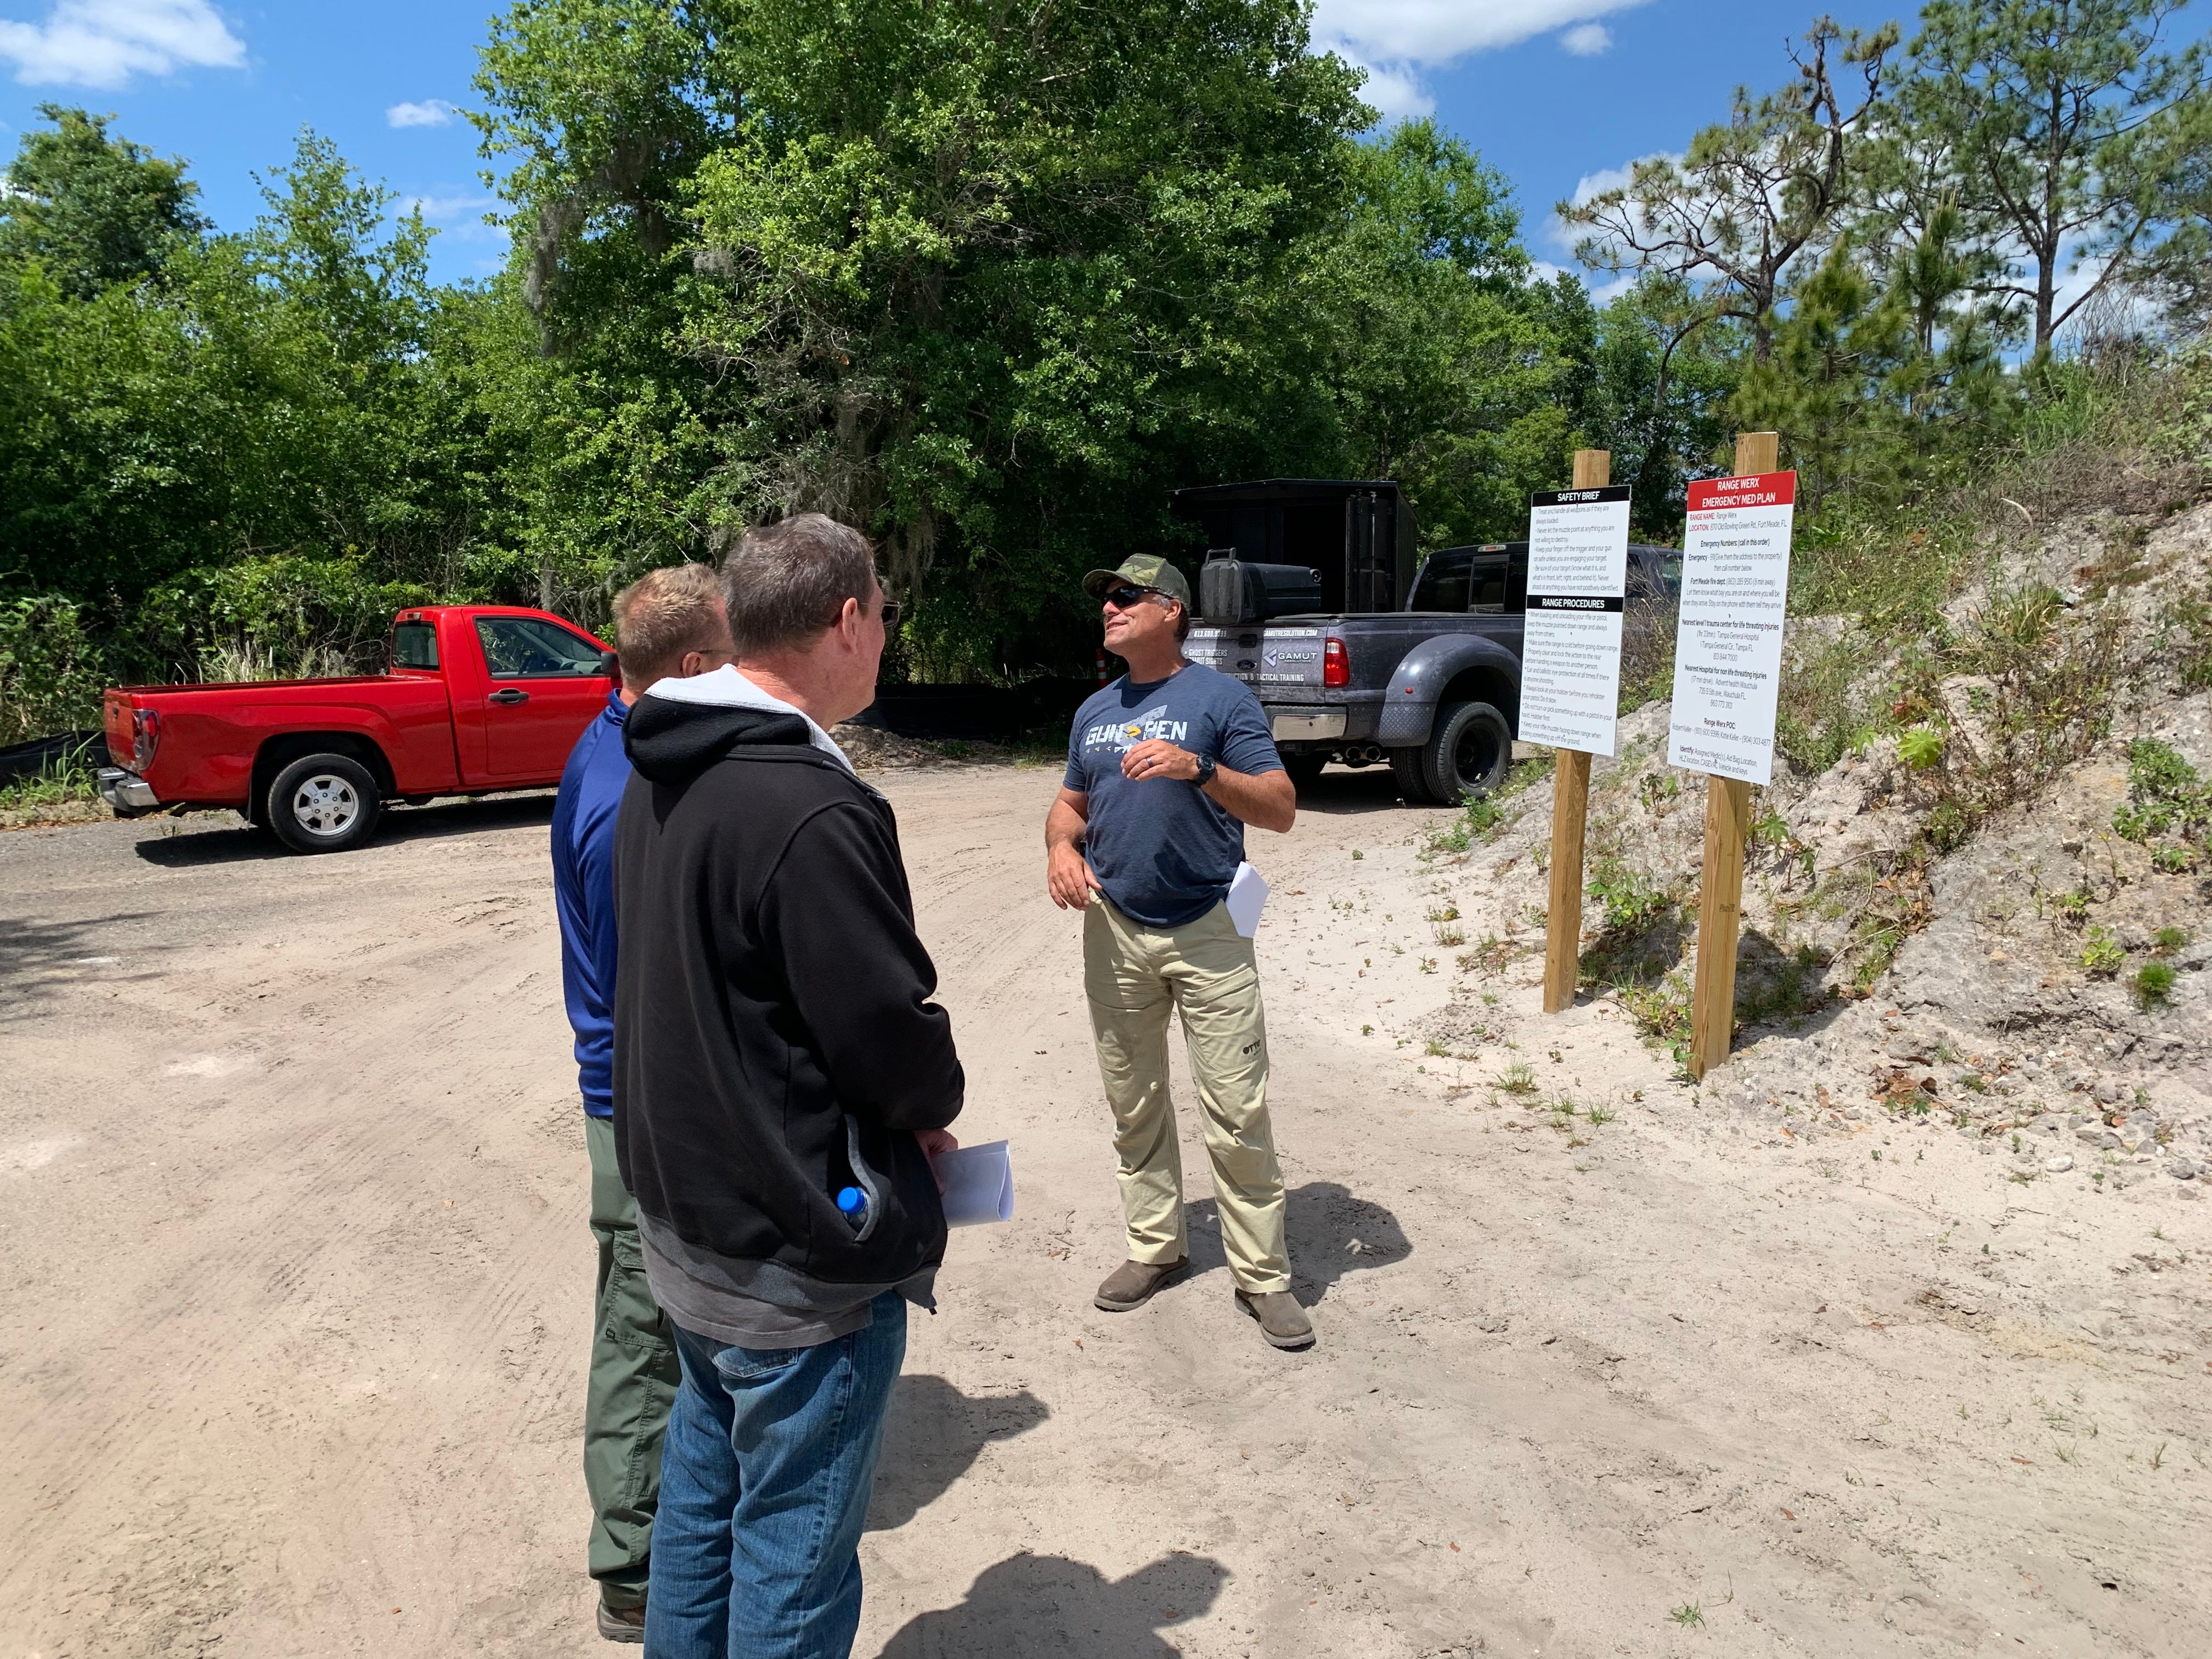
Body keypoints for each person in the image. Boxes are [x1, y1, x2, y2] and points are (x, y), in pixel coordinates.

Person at [613, 512, 964, 1659]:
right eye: (886, 619)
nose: (886, 641)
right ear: (849, 620)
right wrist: (929, 1108)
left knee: (702, 1504)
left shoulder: (664, 762)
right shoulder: (807, 805)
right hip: (791, 1256)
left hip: (689, 1222)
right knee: (792, 1561)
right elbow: (885, 1033)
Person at [1043, 554, 1312, 1352]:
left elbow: (1281, 808)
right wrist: (1059, 849)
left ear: (1171, 610)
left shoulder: (1221, 700)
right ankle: (1155, 1247)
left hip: (1209, 929)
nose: (1110, 607)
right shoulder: (1095, 711)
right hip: (1115, 931)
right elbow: (1068, 807)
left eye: (1126, 595)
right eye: (1105, 597)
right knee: (1135, 1103)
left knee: (1236, 1110)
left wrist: (1199, 768)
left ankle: (1263, 1278)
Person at [551, 562, 738, 1643]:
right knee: (643, 1319)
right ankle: (631, 1560)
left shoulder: (621, 742)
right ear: (693, 664)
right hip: (637, 1100)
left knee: (657, 1311)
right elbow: (644, 978)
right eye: (734, 653)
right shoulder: (626, 788)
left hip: (639, 1092)